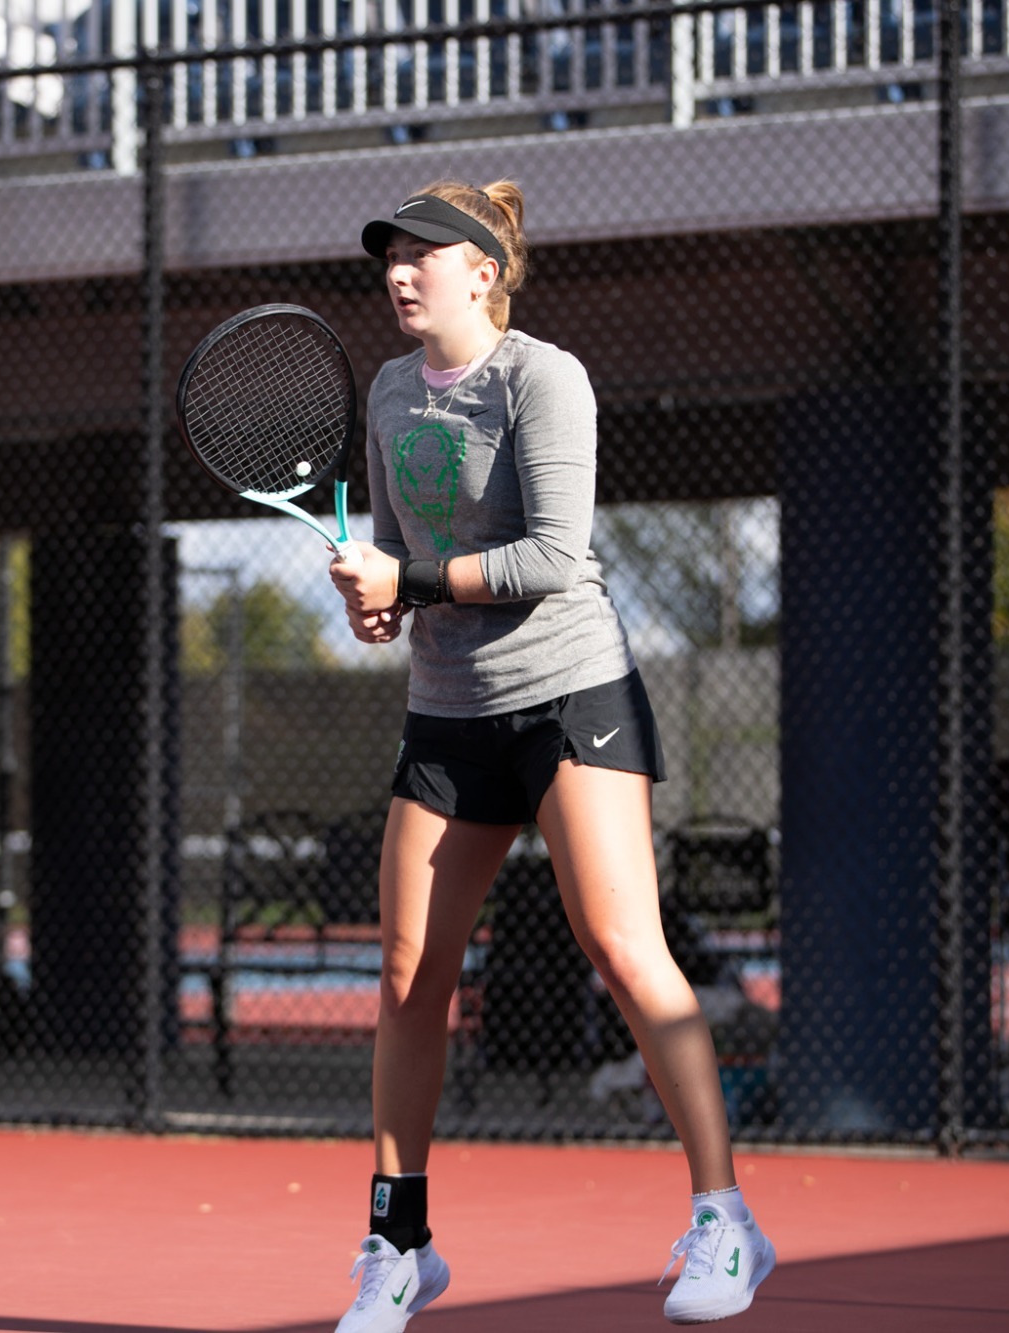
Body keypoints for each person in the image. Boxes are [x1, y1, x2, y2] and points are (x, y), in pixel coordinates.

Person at [325, 178, 776, 1330]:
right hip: (445, 711)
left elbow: (548, 556)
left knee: (623, 948)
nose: (398, 269)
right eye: (391, 253)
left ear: (483, 271)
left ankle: (724, 1220)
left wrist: (410, 583)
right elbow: (393, 548)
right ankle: (396, 1239)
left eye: (423, 252)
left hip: (570, 695)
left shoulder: (543, 378)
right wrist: (375, 607)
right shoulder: (385, 392)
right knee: (404, 972)